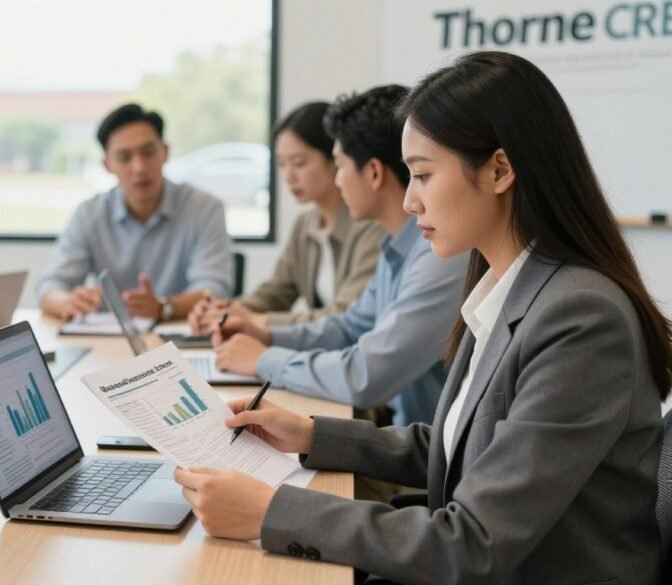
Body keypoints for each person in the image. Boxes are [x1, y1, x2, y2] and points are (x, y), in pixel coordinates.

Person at [174, 51, 669, 584]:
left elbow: (472, 545)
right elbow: (466, 446)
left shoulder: (581, 318)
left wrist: (271, 511)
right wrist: (312, 434)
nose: (409, 201)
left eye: (422, 175)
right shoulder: (510, 287)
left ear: (500, 169)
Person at [212, 85, 467, 426]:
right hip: (406, 442)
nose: (338, 180)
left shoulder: (440, 256)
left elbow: (365, 377)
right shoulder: (396, 246)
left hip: (428, 462)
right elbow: (350, 327)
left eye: (339, 166)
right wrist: (268, 335)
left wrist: (264, 359)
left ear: (374, 173)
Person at [187, 102, 382, 331]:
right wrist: (222, 311)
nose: (288, 176)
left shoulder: (371, 224)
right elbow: (276, 293)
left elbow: (347, 316)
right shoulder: (305, 224)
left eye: (299, 163)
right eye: (281, 164)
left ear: (335, 160)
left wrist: (256, 321)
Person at [36, 103, 233, 322]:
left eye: (148, 153)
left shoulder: (204, 209)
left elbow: (214, 289)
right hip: (106, 345)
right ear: (107, 165)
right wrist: (66, 301)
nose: (139, 167)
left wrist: (163, 307)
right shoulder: (89, 214)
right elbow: (50, 286)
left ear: (165, 152)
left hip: (178, 339)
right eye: (124, 157)